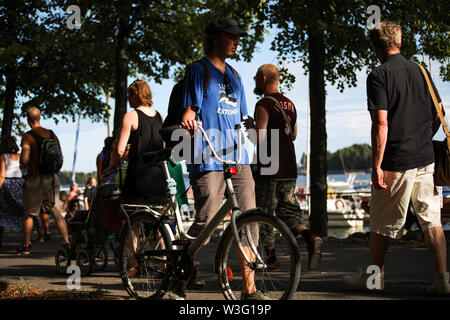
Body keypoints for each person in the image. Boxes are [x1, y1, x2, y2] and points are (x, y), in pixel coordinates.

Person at [342, 21, 449, 295]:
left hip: (396, 161)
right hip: (425, 159)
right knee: (431, 220)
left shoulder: (378, 75)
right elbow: (439, 113)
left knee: (380, 224)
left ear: (375, 47)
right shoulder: (421, 71)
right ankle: (442, 279)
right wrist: (424, 136)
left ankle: (375, 279)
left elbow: (381, 124)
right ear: (399, 42)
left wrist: (376, 164)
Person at [180, 17, 269, 300]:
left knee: (249, 218)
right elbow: (189, 112)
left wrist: (254, 128)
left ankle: (249, 288)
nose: (237, 41)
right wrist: (188, 122)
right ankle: (179, 267)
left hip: (237, 157)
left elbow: (242, 117)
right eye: (233, 36)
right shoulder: (198, 70)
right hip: (206, 155)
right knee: (206, 220)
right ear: (217, 38)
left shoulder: (235, 75)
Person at [245, 64, 323, 271]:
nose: (254, 81)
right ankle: (310, 237)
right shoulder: (290, 104)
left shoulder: (264, 104)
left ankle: (271, 259)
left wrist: (250, 126)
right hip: (288, 166)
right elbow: (294, 135)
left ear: (263, 78)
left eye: (255, 78)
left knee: (264, 213)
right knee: (288, 211)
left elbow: (259, 138)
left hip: (269, 168)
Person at [103, 79, 166, 202]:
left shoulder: (130, 116)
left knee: (127, 214)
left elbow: (120, 150)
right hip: (158, 178)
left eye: (129, 95)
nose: (127, 98)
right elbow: (163, 145)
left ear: (136, 95)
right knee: (156, 217)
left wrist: (111, 166)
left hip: (138, 177)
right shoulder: (159, 117)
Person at [18, 107, 70, 255]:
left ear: (28, 120)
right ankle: (66, 242)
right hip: (52, 178)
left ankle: (26, 245)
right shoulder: (52, 134)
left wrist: (23, 165)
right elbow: (59, 155)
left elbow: (25, 159)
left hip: (35, 178)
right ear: (39, 118)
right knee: (56, 210)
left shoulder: (28, 136)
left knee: (29, 213)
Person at [0, 135, 25, 248]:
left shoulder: (3, 157)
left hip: (7, 186)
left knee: (3, 213)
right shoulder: (21, 156)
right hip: (20, 184)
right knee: (23, 212)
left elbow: (2, 175)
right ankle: (29, 238)